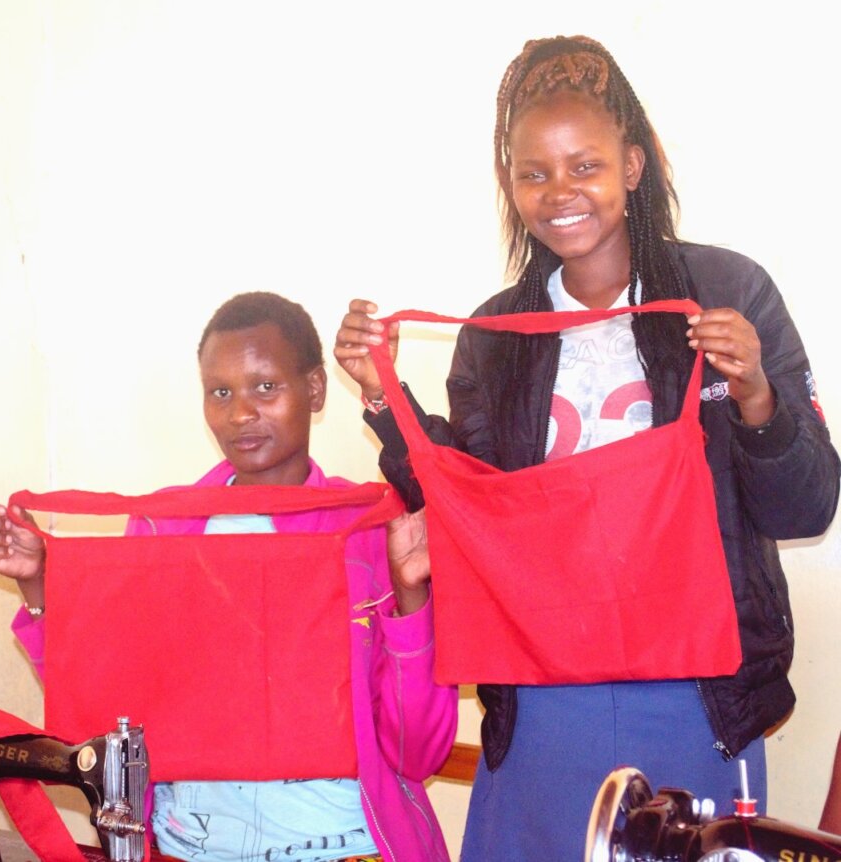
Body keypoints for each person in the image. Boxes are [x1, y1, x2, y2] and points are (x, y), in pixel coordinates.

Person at [333, 35, 840, 861]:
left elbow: (808, 504)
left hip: (698, 697)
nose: (560, 192)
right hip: (540, 697)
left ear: (633, 165)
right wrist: (381, 395)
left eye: (585, 165)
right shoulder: (493, 338)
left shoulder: (727, 292)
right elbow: (471, 519)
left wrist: (757, 397)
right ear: (511, 185)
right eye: (534, 172)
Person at [0, 291, 457, 862]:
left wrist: (411, 595)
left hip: (346, 845)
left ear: (316, 389)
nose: (241, 412)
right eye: (220, 392)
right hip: (188, 848)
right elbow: (107, 719)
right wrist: (38, 583)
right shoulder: (162, 528)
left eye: (266, 387)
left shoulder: (370, 528)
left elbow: (418, 751)